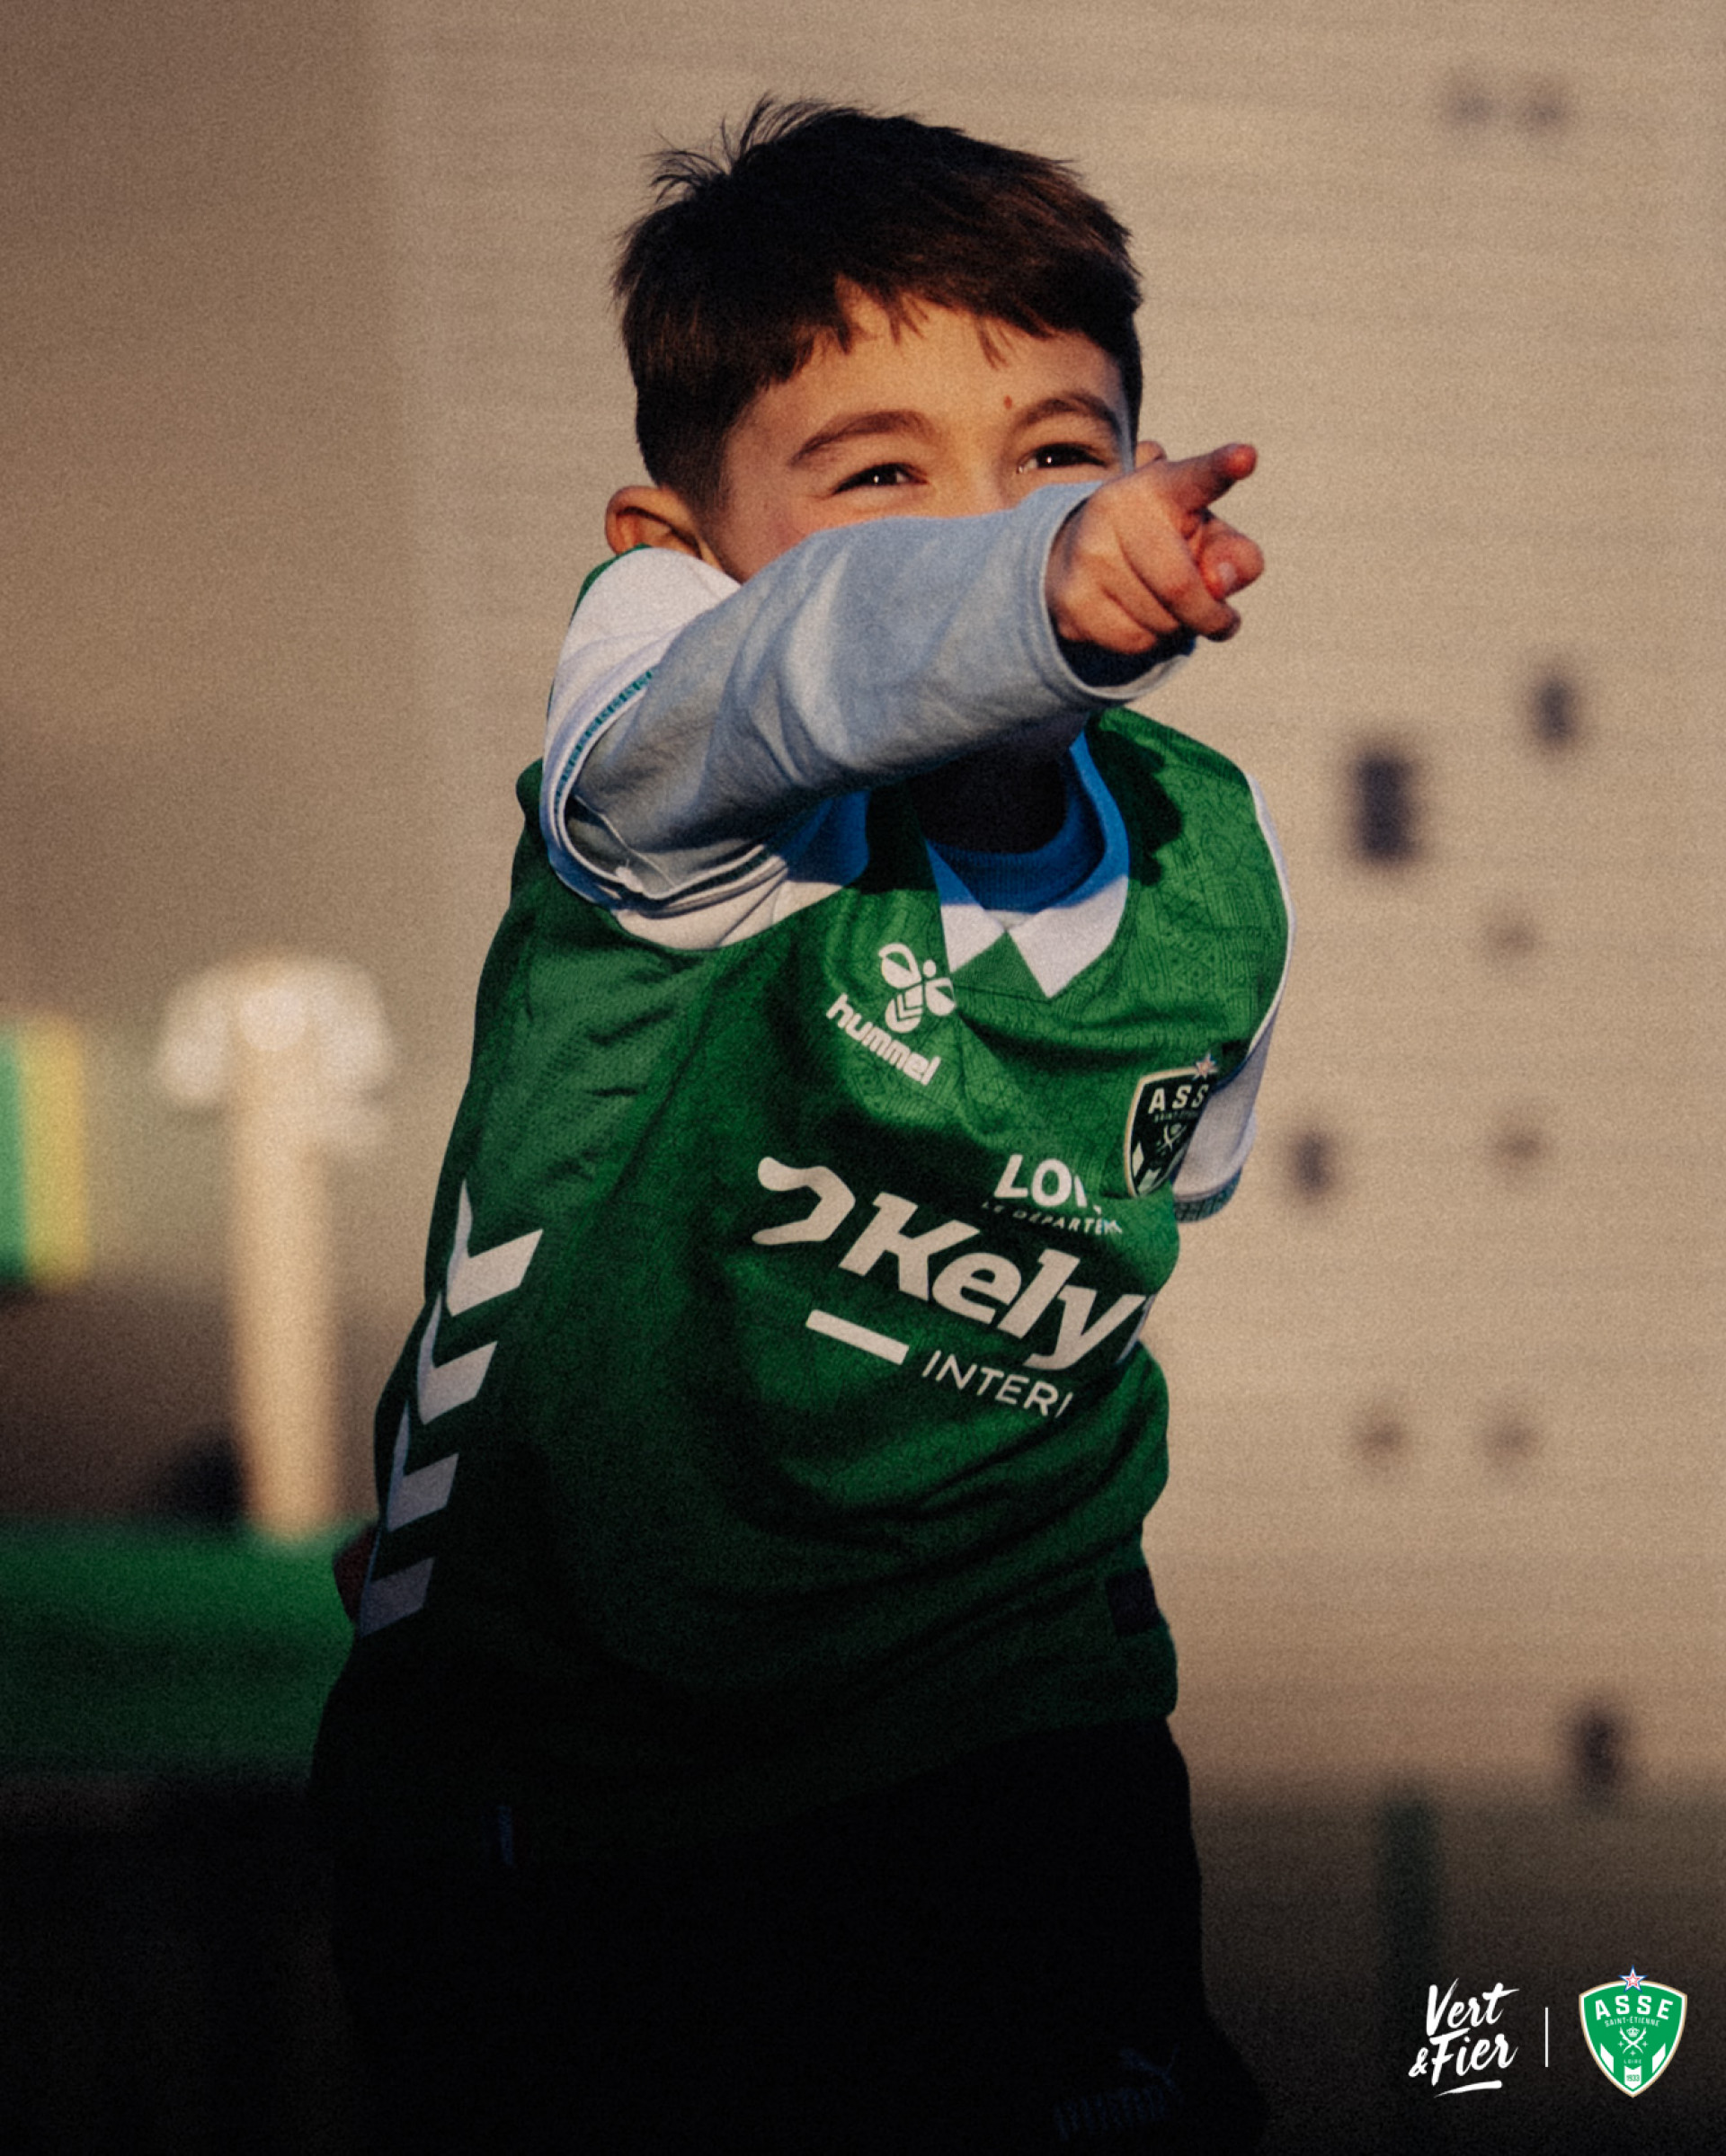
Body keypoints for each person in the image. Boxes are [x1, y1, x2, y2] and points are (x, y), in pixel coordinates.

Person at [315, 99, 1291, 2154]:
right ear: (670, 555)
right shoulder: (675, 786)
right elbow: (795, 676)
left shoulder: (1211, 858)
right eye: (878, 475)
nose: (990, 519)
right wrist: (1023, 583)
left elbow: (1163, 1192)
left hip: (1026, 1709)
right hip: (591, 1777)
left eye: (1058, 453)